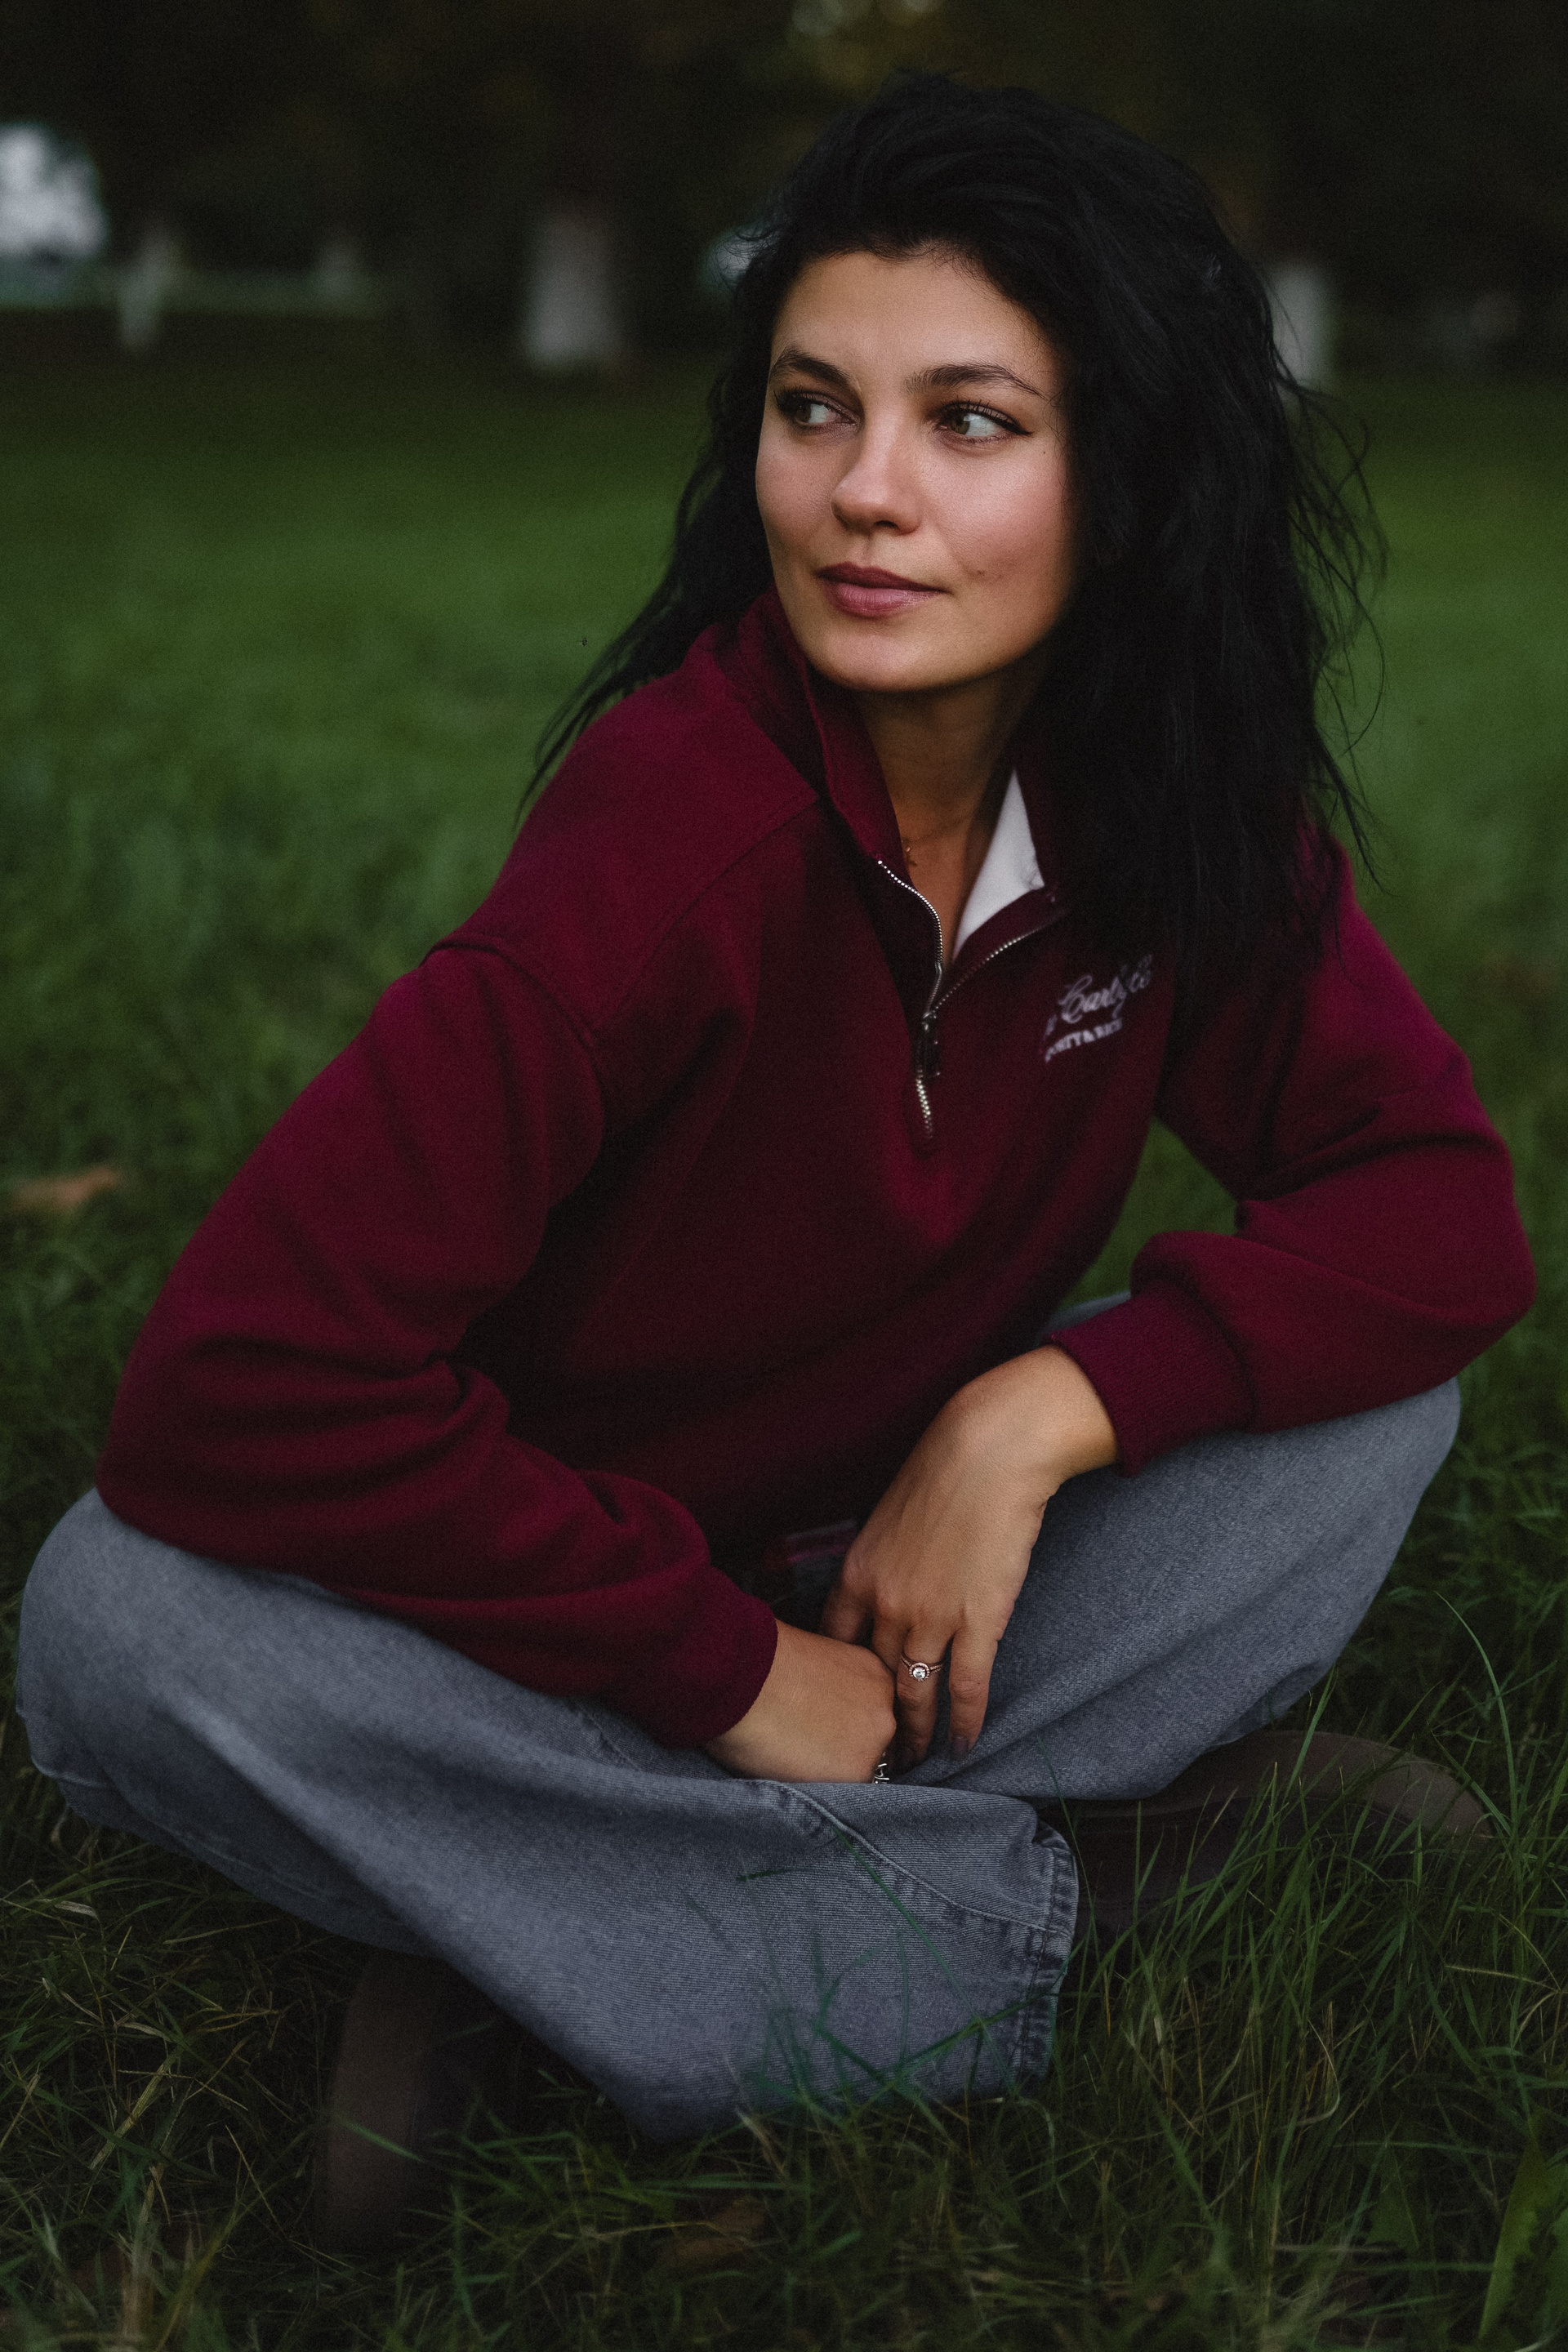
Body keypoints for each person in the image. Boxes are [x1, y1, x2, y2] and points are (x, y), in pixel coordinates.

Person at [16, 73, 1533, 2253]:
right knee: (111, 1624)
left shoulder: (1170, 804)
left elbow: (1437, 1210)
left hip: (909, 1594)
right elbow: (237, 1387)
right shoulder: (667, 842)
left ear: (1133, 473)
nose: (863, 493)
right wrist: (723, 1676)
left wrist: (1032, 1420)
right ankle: (1049, 1892)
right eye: (814, 408)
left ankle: (519, 1926)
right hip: (525, 1620)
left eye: (971, 422)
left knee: (1375, 1397)